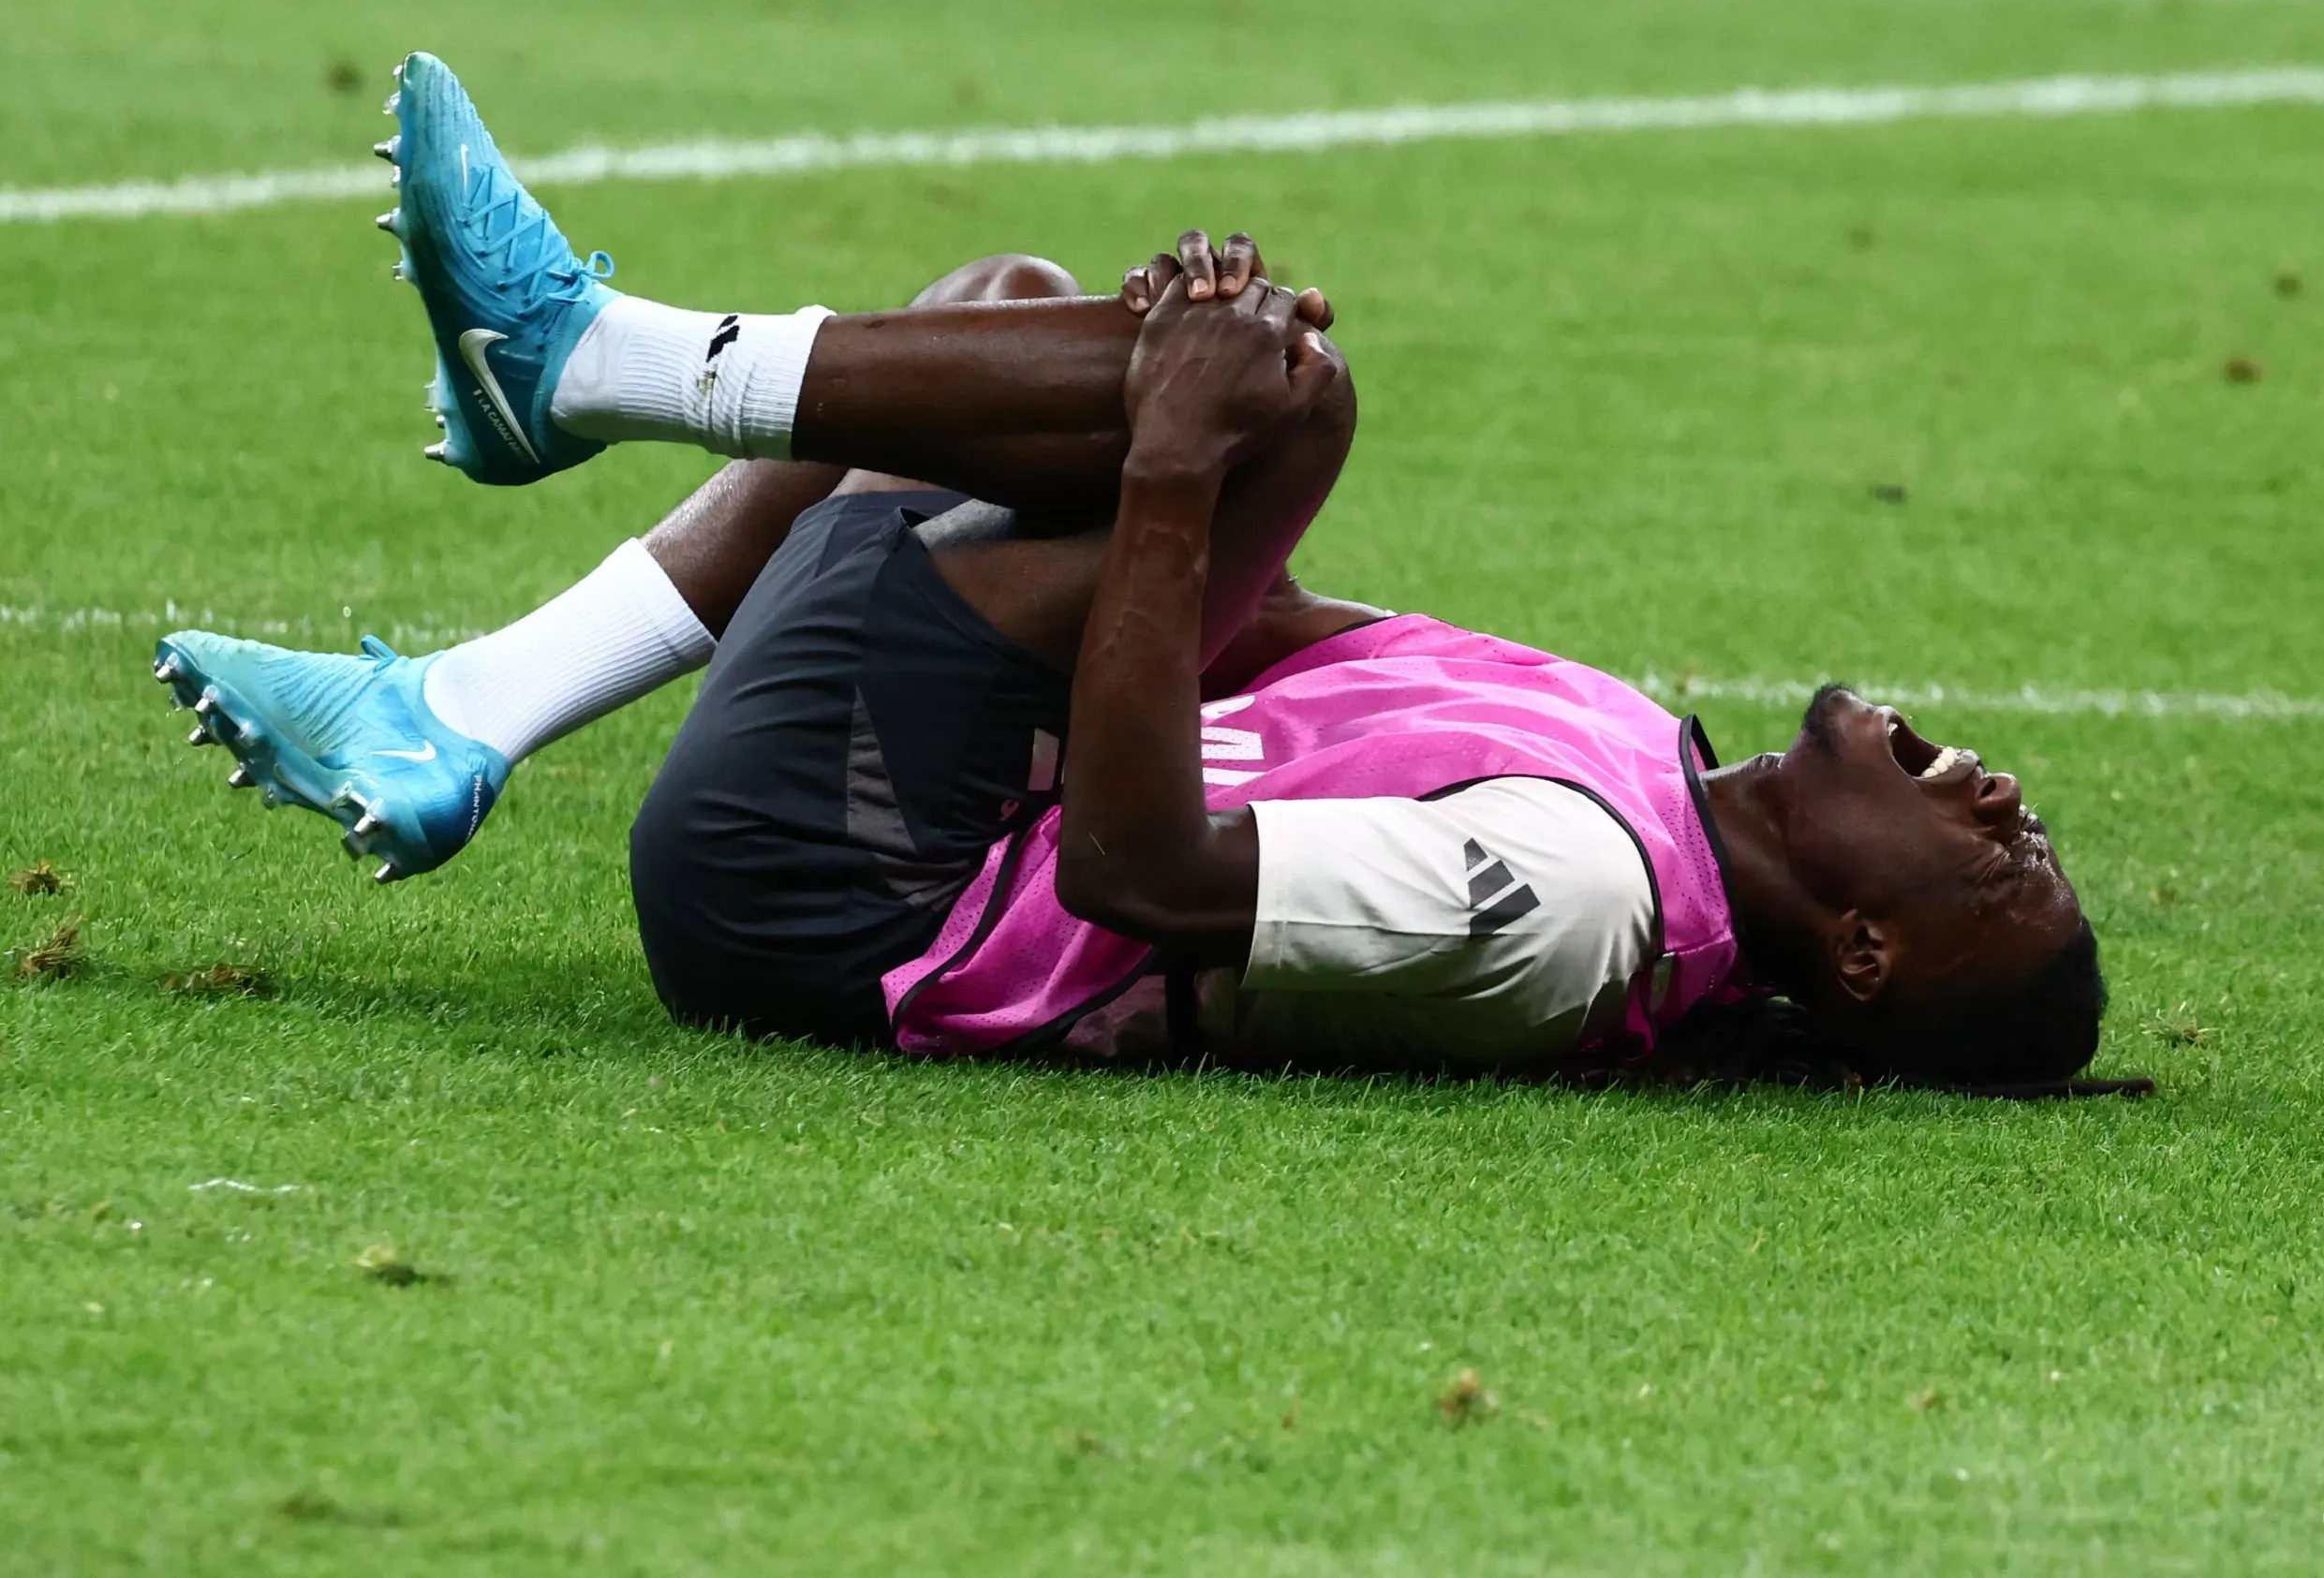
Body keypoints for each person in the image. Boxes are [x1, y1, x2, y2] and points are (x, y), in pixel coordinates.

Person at [154, 53, 2119, 1091]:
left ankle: (585, 383)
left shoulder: (1580, 902)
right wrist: (1147, 398)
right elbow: (1237, 633)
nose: (2008, 800)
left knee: (1262, 404)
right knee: (1124, 342)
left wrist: (1171, 450)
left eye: (2004, 867)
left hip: (840, 897)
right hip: (903, 812)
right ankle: (469, 693)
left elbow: (1143, 874)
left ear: (1860, 956)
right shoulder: (1636, 755)